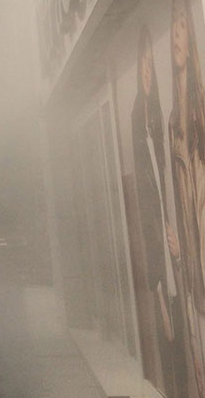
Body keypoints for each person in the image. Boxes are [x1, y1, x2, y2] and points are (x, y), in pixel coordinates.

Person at [132, 23, 187, 396]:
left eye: (151, 63)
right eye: (142, 64)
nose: (147, 72)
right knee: (172, 352)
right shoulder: (139, 124)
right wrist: (159, 289)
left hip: (177, 261)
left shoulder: (162, 122)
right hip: (163, 270)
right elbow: (147, 216)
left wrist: (180, 249)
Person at [169, 0, 205, 396]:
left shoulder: (199, 108)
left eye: (183, 24)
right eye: (173, 26)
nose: (177, 34)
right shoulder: (171, 121)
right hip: (190, 270)